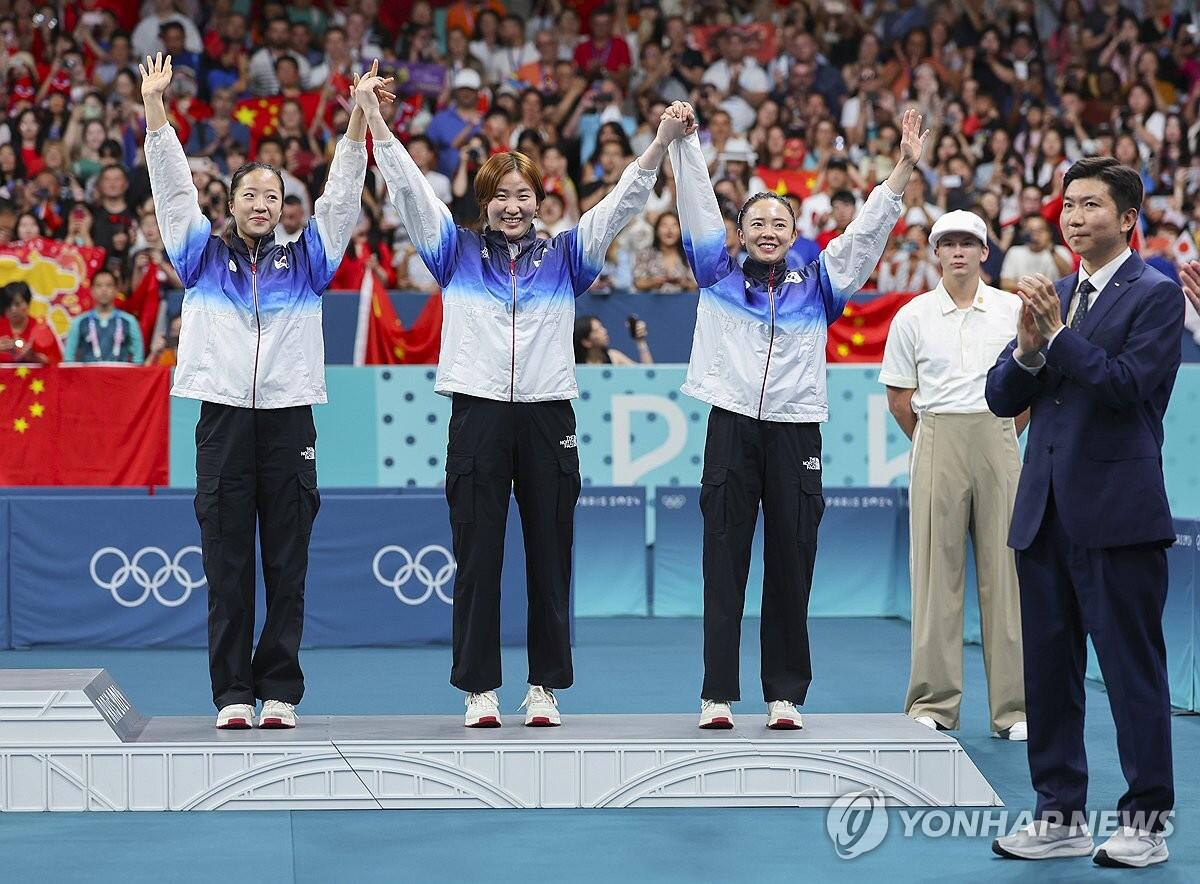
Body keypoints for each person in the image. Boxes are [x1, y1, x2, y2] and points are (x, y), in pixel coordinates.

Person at [368, 92, 690, 728]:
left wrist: (658, 144)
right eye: (500, 196)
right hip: (478, 415)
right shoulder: (452, 251)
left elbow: (622, 203)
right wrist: (374, 121)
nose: (512, 208)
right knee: (478, 556)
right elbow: (407, 187)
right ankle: (479, 689)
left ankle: (545, 687)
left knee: (550, 557)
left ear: (541, 203)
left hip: (547, 417)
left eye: (524, 196)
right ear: (483, 202)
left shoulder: (567, 254)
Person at [671, 106, 929, 731]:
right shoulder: (717, 274)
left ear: (793, 233)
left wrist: (901, 170)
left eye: (777, 223)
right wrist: (684, 145)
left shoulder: (819, 284)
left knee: (793, 559)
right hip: (731, 425)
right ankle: (717, 696)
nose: (766, 231)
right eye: (755, 222)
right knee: (724, 558)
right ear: (741, 231)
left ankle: (784, 693)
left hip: (796, 431)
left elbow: (865, 234)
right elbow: (699, 209)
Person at [140, 53, 372, 732]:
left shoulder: (310, 262)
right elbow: (173, 189)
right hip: (222, 421)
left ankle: (280, 690)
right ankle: (232, 693)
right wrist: (157, 108)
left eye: (272, 196)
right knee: (228, 563)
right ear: (232, 203)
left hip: (288, 421)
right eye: (249, 194)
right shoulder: (199, 256)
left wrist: (358, 116)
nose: (261, 203)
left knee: (287, 563)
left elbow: (342, 196)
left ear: (284, 208)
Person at [988, 157, 1181, 868]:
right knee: (1049, 673)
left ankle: (1146, 822)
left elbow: (1128, 386)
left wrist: (1056, 338)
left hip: (1119, 515)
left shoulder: (1155, 295)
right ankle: (1059, 813)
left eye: (1091, 205)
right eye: (1068, 204)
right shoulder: (1058, 294)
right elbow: (1002, 398)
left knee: (1133, 672)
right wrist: (1030, 349)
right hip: (1044, 514)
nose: (1074, 216)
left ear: (1128, 218)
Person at [878, 210, 1027, 741]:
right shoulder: (912, 316)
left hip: (998, 436)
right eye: (948, 243)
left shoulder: (1013, 309)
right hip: (935, 435)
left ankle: (1015, 710)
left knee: (1007, 576)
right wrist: (934, 442)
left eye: (969, 243)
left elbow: (1027, 392)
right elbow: (900, 399)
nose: (959, 251)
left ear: (985, 252)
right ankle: (933, 705)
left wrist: (1003, 433)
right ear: (935, 253)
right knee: (934, 580)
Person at [62, 269, 145, 363]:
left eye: (109, 285)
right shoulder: (79, 322)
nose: (104, 290)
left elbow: (138, 360)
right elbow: (68, 359)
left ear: (116, 290)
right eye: (99, 285)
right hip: (88, 377)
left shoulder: (130, 321)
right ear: (92, 290)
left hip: (120, 377)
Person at [0, 281, 62, 365]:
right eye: (8, 306)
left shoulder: (41, 328)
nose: (13, 309)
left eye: (17, 304)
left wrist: (33, 357)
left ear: (27, 303)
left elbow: (57, 364)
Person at [573, 315, 652, 364]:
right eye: (597, 330)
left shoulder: (614, 357)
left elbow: (645, 374)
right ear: (586, 342)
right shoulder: (573, 366)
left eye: (602, 327)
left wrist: (640, 341)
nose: (604, 331)